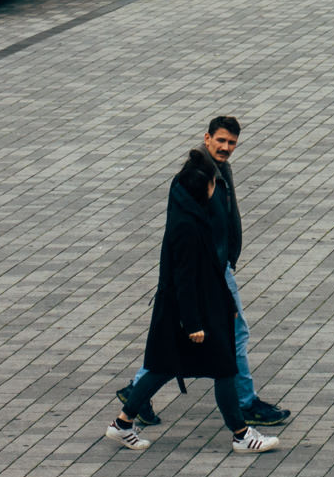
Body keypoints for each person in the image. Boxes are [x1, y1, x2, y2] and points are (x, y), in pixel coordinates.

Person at [116, 116, 292, 431]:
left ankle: (136, 394)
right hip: (208, 271)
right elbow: (185, 240)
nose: (226, 147)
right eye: (221, 140)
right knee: (233, 337)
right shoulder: (195, 178)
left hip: (218, 267)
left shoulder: (218, 169)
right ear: (207, 137)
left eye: (232, 143)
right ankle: (244, 407)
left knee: (194, 346)